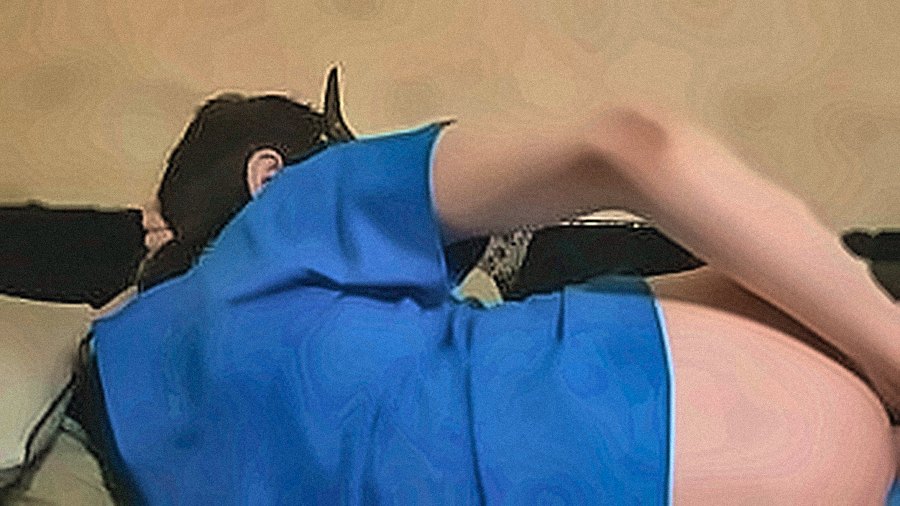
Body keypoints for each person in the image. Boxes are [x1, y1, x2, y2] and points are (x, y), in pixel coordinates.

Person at [70, 65, 900, 504]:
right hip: (684, 432)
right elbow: (632, 145)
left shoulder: (135, 416)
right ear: (268, 174)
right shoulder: (276, 222)